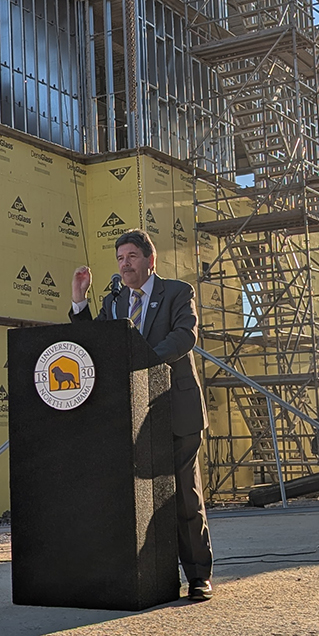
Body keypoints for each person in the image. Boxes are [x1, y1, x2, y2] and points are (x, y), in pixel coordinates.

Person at [70, 229, 214, 602]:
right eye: (120, 259)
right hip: (135, 416)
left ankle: (199, 576)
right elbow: (97, 345)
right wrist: (79, 302)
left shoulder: (178, 293)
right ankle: (153, 578)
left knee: (183, 497)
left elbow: (185, 336)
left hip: (178, 410)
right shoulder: (115, 302)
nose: (125, 264)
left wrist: (144, 361)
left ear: (150, 261)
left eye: (132, 257)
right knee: (140, 502)